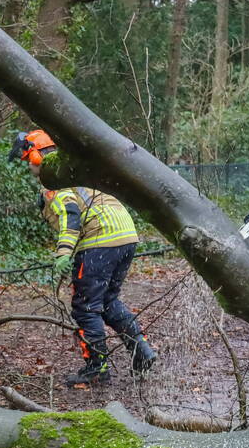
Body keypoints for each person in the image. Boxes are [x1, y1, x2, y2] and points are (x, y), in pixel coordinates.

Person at [10, 130, 157, 385]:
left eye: (26, 160)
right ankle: (141, 350)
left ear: (36, 154)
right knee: (108, 300)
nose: (29, 168)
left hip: (99, 240)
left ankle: (97, 368)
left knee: (85, 307)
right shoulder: (75, 168)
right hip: (125, 235)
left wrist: (64, 252)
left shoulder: (54, 179)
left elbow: (70, 215)